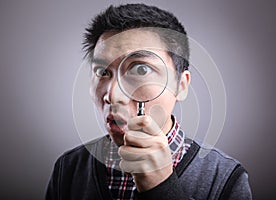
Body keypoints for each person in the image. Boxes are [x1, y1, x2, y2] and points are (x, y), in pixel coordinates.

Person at [46, 3, 252, 200]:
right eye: (103, 72)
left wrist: (162, 188)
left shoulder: (225, 178)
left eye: (141, 69)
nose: (113, 95)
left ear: (181, 85)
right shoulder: (68, 168)